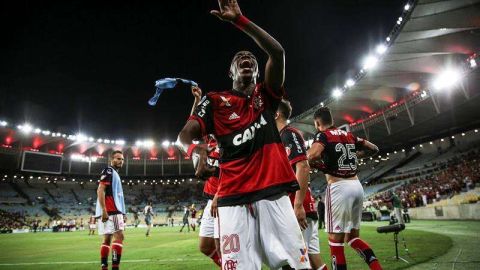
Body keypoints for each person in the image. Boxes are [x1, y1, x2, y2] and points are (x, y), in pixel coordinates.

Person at [177, 1, 309, 269]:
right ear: (231, 72)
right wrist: (195, 150)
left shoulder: (267, 94)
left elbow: (278, 52)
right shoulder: (215, 101)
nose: (245, 59)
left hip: (273, 194)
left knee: (297, 265)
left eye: (250, 58)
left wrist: (240, 21)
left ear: (258, 71)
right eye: (238, 59)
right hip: (232, 200)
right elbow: (184, 135)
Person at [307, 107, 383, 270]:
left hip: (338, 187)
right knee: (352, 237)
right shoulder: (349, 135)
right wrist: (355, 157)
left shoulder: (322, 135)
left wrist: (309, 162)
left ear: (317, 123)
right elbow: (374, 149)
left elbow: (312, 155)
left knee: (335, 240)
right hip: (356, 186)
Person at [275, 99, 328, 270]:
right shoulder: (281, 138)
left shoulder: (289, 133)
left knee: (293, 262)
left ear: (276, 115)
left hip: (298, 208)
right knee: (314, 260)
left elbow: (303, 166)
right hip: (301, 207)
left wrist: (298, 205)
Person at [190, 86, 222, 267]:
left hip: (224, 199)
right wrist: (197, 100)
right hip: (212, 200)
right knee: (205, 246)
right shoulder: (209, 141)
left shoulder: (230, 139)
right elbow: (193, 124)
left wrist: (219, 195)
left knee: (223, 245)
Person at [95, 150, 126, 270]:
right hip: (111, 210)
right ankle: (115, 267)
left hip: (110, 211)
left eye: (122, 159)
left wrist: (123, 212)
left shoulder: (114, 173)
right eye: (118, 159)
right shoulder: (109, 171)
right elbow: (100, 190)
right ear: (111, 160)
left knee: (107, 239)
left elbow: (116, 195)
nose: (121, 161)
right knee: (119, 237)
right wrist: (104, 210)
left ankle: (104, 267)